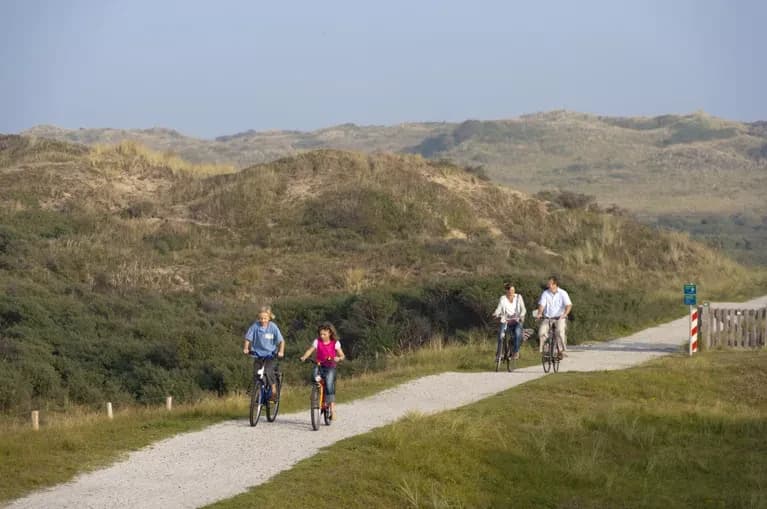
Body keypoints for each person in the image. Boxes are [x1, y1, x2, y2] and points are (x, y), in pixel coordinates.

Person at [299, 322, 345, 419]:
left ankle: (332, 410)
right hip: (319, 365)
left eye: (324, 334)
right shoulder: (317, 342)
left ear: (330, 333)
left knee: (329, 384)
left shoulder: (335, 343)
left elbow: (342, 355)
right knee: (314, 377)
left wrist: (339, 358)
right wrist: (304, 357)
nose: (322, 336)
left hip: (330, 367)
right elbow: (310, 350)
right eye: (320, 334)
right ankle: (316, 395)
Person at [243, 306, 285, 401]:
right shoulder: (255, 326)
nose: (263, 320)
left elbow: (281, 341)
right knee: (256, 373)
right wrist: (246, 348)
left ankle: (274, 391)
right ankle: (257, 393)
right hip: (258, 354)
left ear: (269, 318)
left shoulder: (273, 327)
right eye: (261, 318)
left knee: (268, 370)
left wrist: (281, 351)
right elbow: (248, 338)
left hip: (271, 355)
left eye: (265, 318)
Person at [536, 276, 572, 359]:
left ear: (555, 284)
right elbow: (542, 305)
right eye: (548, 284)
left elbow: (569, 305)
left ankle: (561, 351)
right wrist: (539, 313)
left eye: (550, 284)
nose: (549, 285)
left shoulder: (563, 293)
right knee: (541, 332)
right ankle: (545, 350)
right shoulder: (545, 293)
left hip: (560, 317)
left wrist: (565, 314)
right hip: (548, 317)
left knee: (559, 332)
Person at [492, 282, 526, 360]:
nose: (512, 292)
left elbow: (523, 309)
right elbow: (499, 308)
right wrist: (495, 313)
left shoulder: (518, 297)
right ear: (506, 291)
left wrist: (521, 315)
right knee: (501, 336)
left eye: (513, 290)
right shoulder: (503, 298)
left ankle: (516, 352)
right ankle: (499, 354)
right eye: (510, 291)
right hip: (505, 320)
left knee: (517, 334)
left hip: (517, 320)